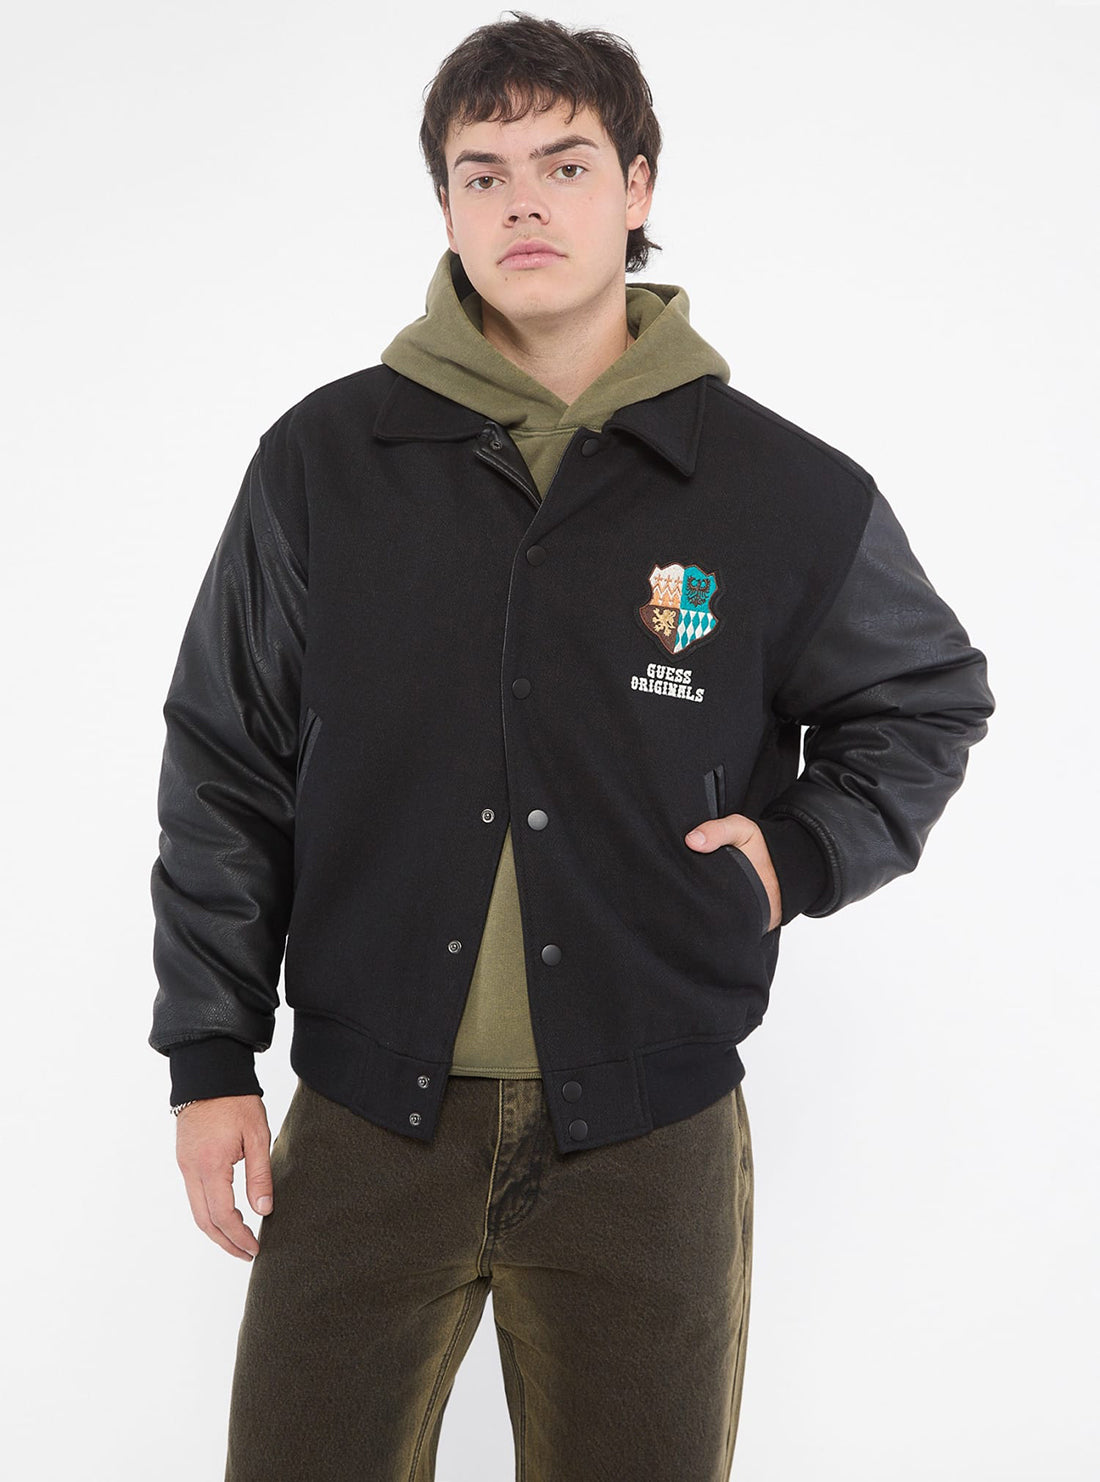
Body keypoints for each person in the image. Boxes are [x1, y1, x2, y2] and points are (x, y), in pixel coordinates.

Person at [148, 14, 995, 1481]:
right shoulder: (324, 462)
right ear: (445, 206)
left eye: (565, 163)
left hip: (650, 1132)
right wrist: (210, 1052)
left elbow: (925, 698)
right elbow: (228, 755)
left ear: (639, 185)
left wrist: (799, 853)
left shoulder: (776, 487)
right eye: (482, 174)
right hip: (365, 1114)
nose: (523, 203)